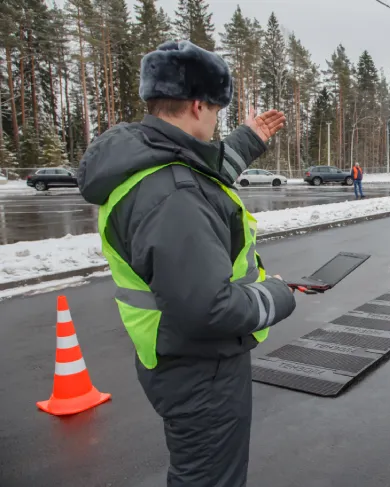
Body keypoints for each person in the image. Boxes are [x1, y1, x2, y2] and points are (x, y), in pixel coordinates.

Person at [77, 40, 297, 486]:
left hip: (179, 357)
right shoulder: (173, 194)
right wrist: (277, 296)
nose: (217, 122)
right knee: (209, 479)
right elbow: (208, 308)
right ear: (198, 105)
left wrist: (247, 138)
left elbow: (201, 171)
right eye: (217, 111)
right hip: (201, 367)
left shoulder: (148, 159)